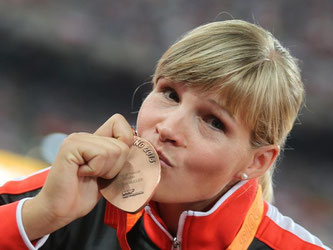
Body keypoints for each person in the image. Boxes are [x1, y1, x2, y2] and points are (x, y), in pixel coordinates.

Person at [0, 20, 330, 250]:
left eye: (214, 122)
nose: (168, 128)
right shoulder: (51, 199)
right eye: (170, 94)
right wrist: (41, 217)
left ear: (258, 161)